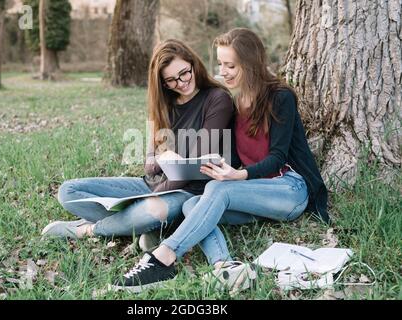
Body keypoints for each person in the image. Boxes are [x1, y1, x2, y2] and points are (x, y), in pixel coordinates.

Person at [112, 28, 330, 293]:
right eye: (220, 64)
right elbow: (239, 156)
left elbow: (277, 158)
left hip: (290, 188)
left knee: (216, 190)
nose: (223, 71)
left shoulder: (280, 97)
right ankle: (224, 266)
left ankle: (162, 258)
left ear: (250, 65)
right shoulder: (235, 102)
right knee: (193, 202)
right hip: (257, 193)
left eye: (230, 65)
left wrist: (236, 176)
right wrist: (217, 166)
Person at [41, 39, 236, 243]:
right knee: (68, 191)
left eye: (184, 73)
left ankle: (89, 229)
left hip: (187, 192)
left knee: (148, 211)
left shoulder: (217, 99)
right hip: (150, 185)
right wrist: (162, 160)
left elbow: (191, 168)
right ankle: (142, 225)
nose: (181, 83)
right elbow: (149, 167)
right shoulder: (164, 104)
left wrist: (149, 197)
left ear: (193, 64)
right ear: (162, 82)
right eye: (170, 80)